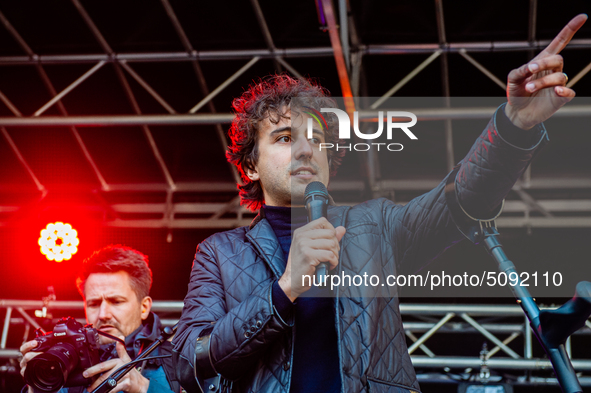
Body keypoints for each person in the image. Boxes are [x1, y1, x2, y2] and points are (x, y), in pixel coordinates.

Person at [172, 15, 587, 393]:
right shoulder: (219, 254)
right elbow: (188, 363)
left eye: (317, 140)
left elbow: (463, 198)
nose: (305, 151)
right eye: (284, 138)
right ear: (250, 168)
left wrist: (514, 126)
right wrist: (285, 289)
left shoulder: (375, 226)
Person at [19, 245, 179, 393]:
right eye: (94, 304)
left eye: (116, 302)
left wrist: (143, 387)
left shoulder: (177, 359)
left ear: (144, 308)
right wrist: (37, 387)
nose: (103, 314)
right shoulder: (66, 365)